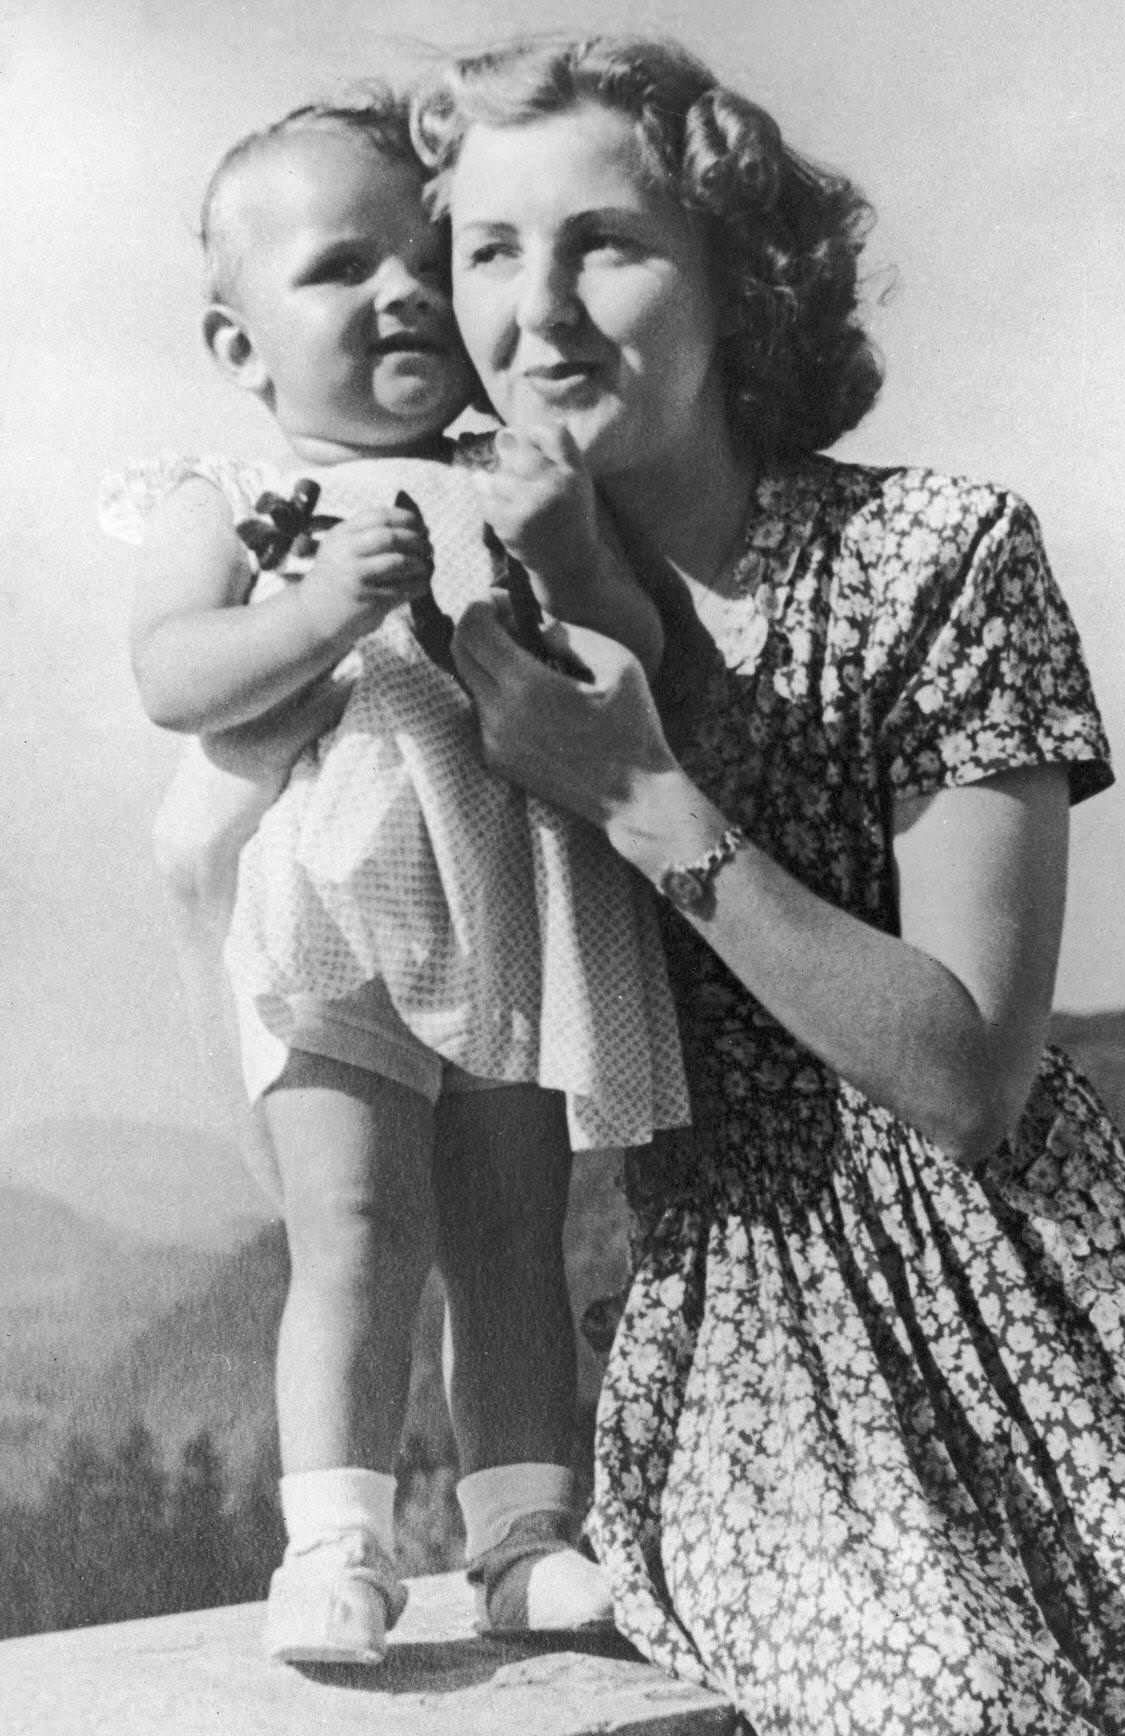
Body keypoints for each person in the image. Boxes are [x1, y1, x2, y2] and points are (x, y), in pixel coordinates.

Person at [411, 33, 1125, 1735]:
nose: (542, 314)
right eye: (487, 252)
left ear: (738, 276)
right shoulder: (480, 625)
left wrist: (643, 794)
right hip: (741, 1351)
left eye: (608, 242)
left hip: (1036, 1310)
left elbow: (969, 1076)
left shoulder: (939, 556)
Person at [101, 94, 689, 1663]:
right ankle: (336, 1542)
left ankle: (522, 1538)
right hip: (334, 923)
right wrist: (313, 613)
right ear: (241, 348)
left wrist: (563, 566)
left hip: (511, 910)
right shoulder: (233, 497)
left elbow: (628, 643)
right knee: (355, 1230)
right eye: (340, 269)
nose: (405, 293)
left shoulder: (507, 470)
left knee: (516, 1231)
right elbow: (174, 670)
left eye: (427, 256)